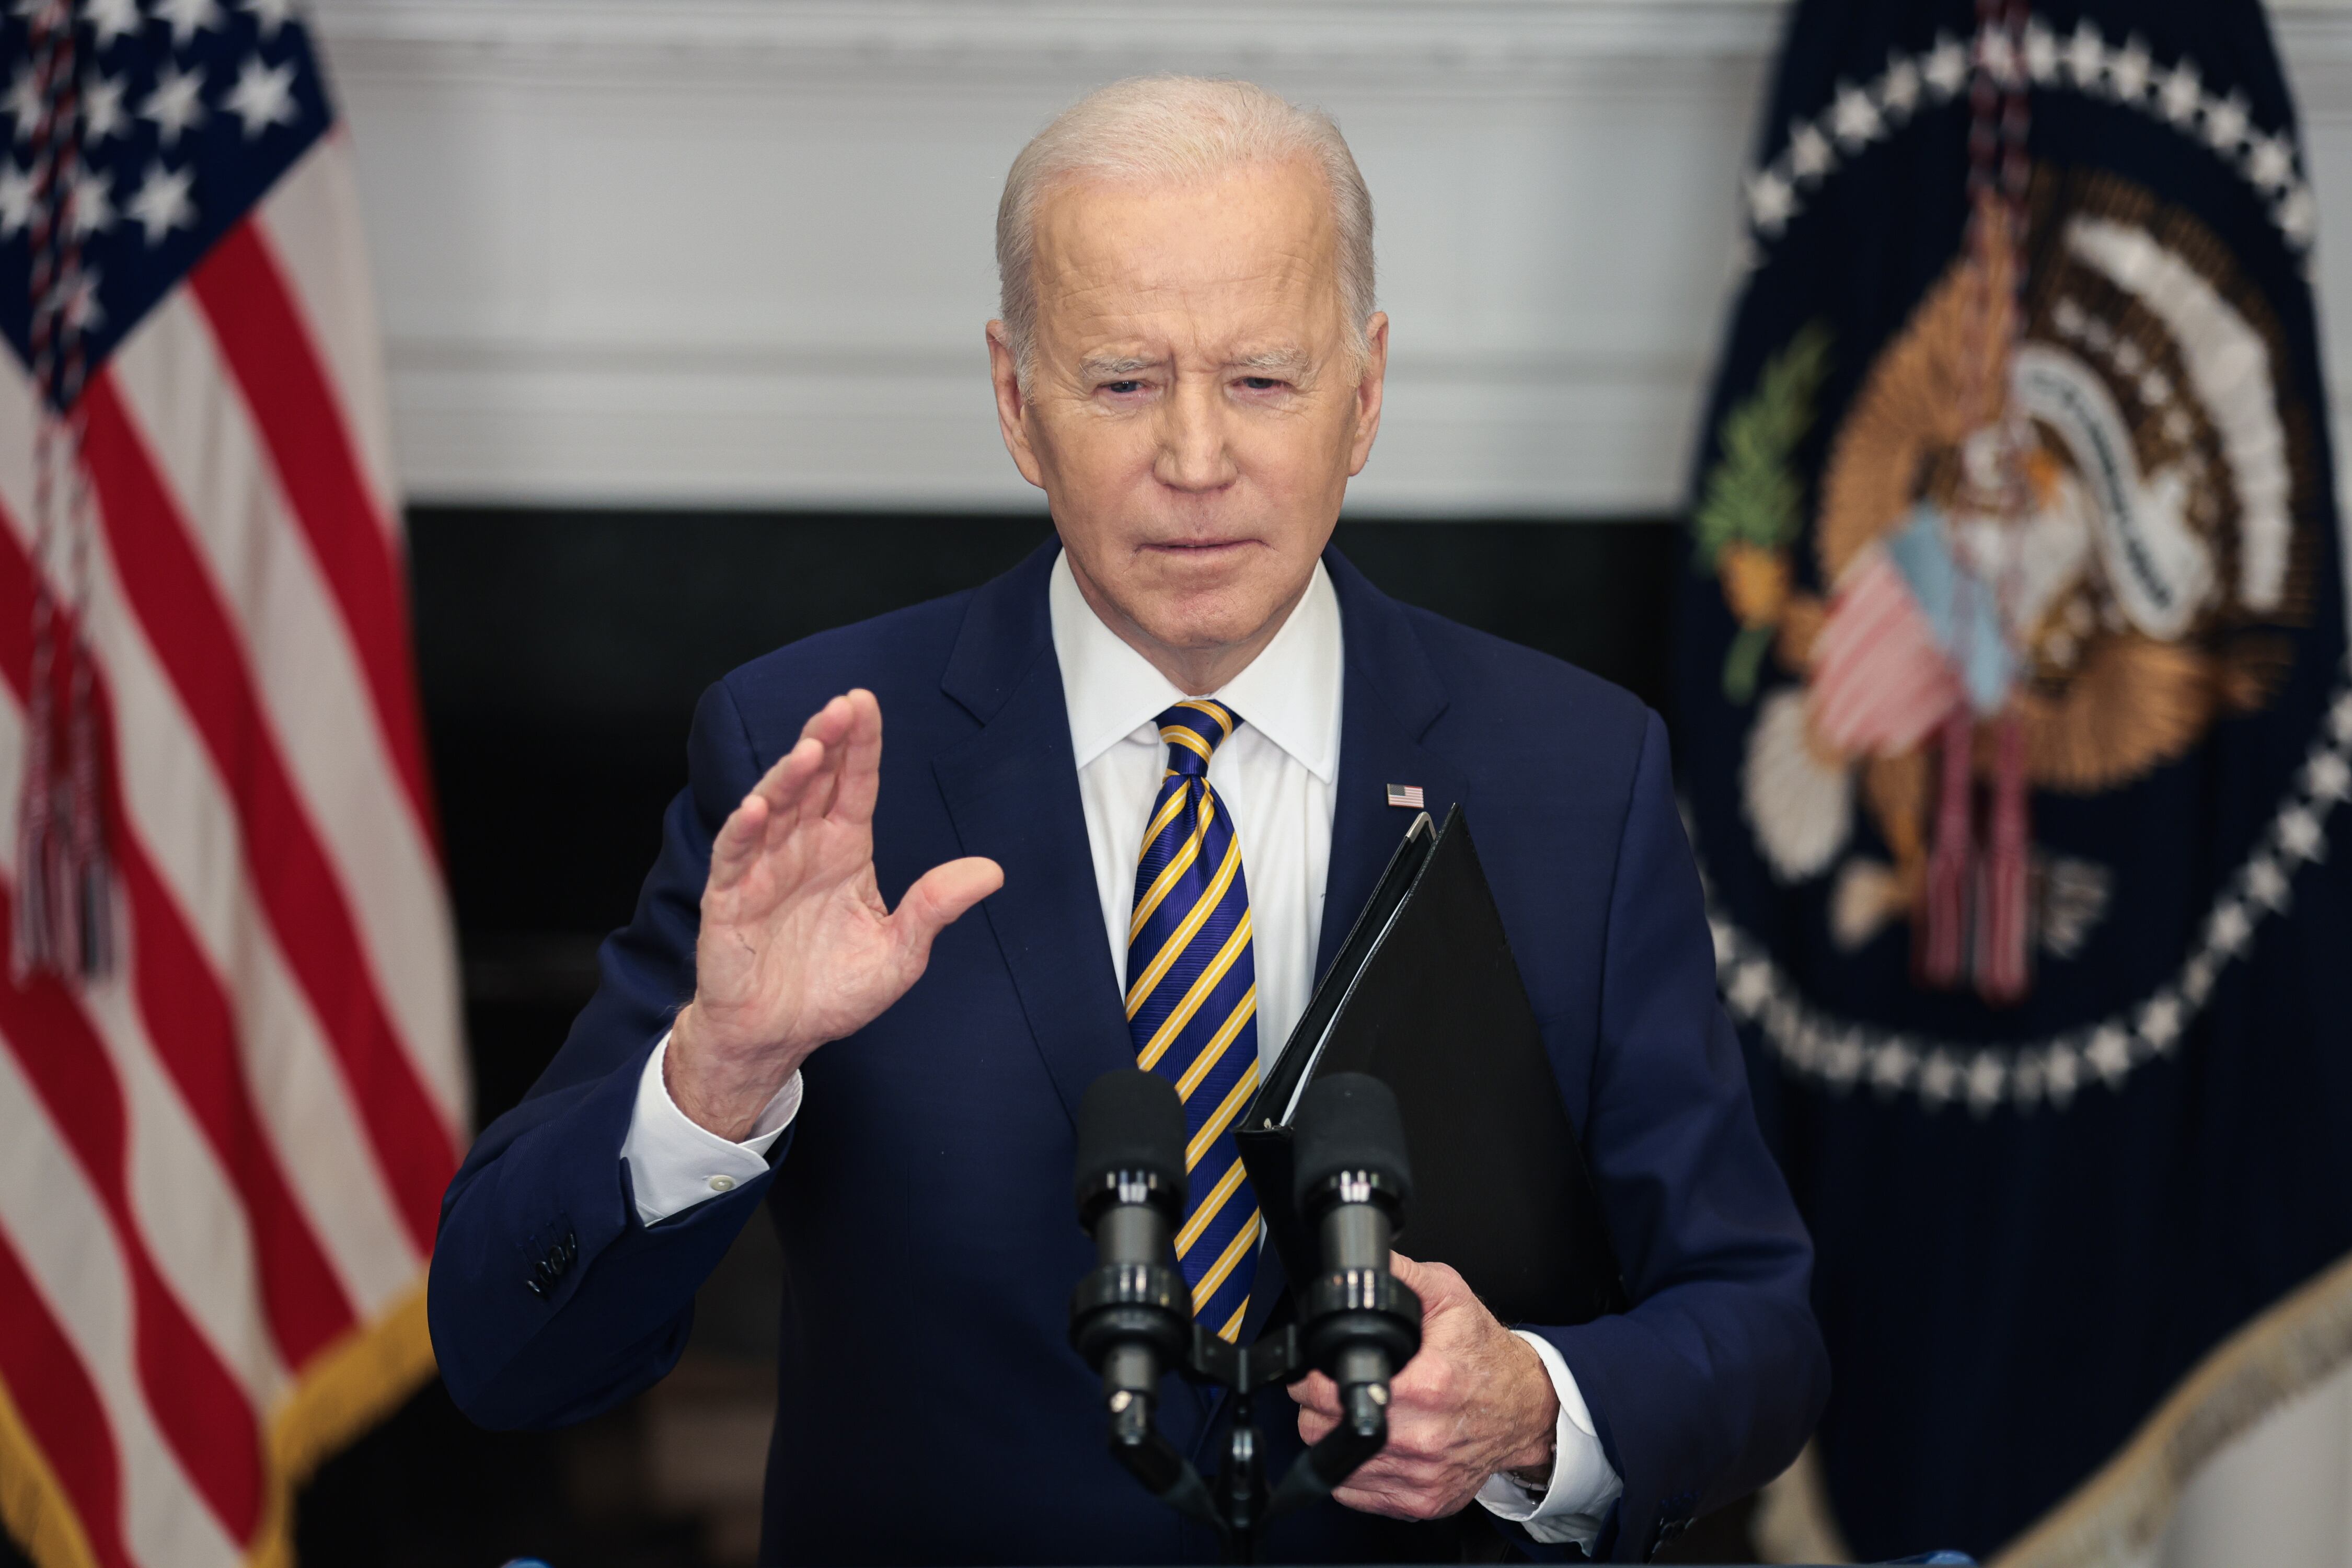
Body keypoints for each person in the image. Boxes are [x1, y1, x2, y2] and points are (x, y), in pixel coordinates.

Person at [428, 76, 1827, 1564]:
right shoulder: (816, 758)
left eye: (1263, 380)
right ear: (1015, 400)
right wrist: (715, 1080)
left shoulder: (1577, 771)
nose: (1195, 457)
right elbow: (509, 1355)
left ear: (1365, 392)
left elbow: (1755, 1333)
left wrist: (1536, 1410)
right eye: (1120, 382)